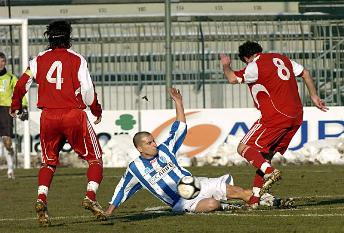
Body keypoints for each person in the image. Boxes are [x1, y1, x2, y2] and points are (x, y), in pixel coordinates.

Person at [105, 88, 286, 216]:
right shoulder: (135, 168)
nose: (154, 144)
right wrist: (109, 211)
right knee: (212, 204)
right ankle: (225, 206)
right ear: (139, 148)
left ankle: (275, 201)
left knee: (240, 192)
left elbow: (180, 127)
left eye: (153, 140)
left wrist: (178, 103)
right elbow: (123, 189)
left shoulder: (165, 150)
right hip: (183, 201)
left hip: (197, 184)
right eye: (149, 143)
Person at [10, 20, 106, 226]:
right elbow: (88, 92)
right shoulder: (77, 59)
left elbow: (21, 84)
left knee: (49, 162)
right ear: (68, 37)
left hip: (48, 117)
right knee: (95, 159)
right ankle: (90, 196)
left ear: (49, 37)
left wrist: (15, 105)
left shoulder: (38, 60)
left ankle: (41, 199)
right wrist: (96, 110)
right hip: (73, 115)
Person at [220, 41, 328, 208]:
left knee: (243, 148)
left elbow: (232, 78)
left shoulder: (253, 66)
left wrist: (226, 65)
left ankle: (270, 172)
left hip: (275, 116)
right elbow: (305, 73)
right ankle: (254, 200)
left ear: (247, 57)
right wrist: (314, 97)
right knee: (264, 157)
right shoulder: (282, 58)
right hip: (296, 115)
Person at [0, 52, 28, 180]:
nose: (1, 63)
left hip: (6, 110)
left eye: (2, 61)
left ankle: (10, 169)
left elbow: (19, 91)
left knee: (7, 142)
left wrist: (24, 106)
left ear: (5, 62)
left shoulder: (11, 78)